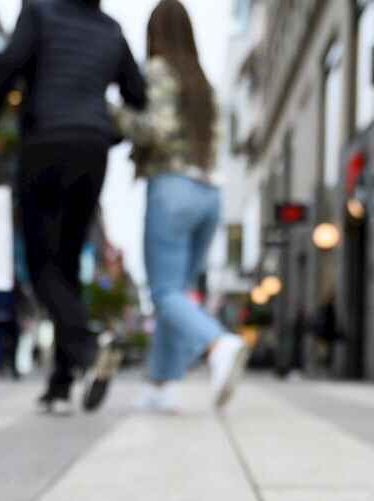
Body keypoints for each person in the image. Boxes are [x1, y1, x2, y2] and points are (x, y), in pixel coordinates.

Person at [0, 0, 147, 416]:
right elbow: (137, 95)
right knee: (66, 263)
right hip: (92, 150)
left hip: (46, 142)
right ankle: (61, 384)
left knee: (41, 264)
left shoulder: (39, 12)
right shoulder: (111, 29)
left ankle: (86, 347)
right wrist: (107, 132)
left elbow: (7, 64)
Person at [114, 0, 249, 415]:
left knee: (165, 292)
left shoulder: (158, 71)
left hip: (172, 187)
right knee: (176, 294)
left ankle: (218, 344)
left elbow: (152, 129)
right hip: (209, 192)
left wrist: (113, 113)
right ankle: (161, 385)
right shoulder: (203, 82)